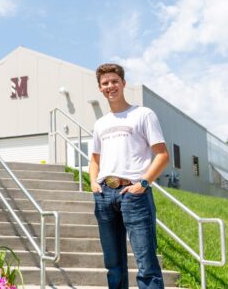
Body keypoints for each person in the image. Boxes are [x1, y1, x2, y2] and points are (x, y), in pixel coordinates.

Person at [89, 63, 170, 289]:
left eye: (114, 81)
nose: (110, 86)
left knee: (147, 265)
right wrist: (94, 184)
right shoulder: (100, 124)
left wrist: (142, 184)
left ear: (124, 83)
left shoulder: (143, 114)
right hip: (105, 195)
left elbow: (162, 155)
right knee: (113, 266)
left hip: (134, 194)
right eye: (105, 83)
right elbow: (95, 159)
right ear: (100, 88)